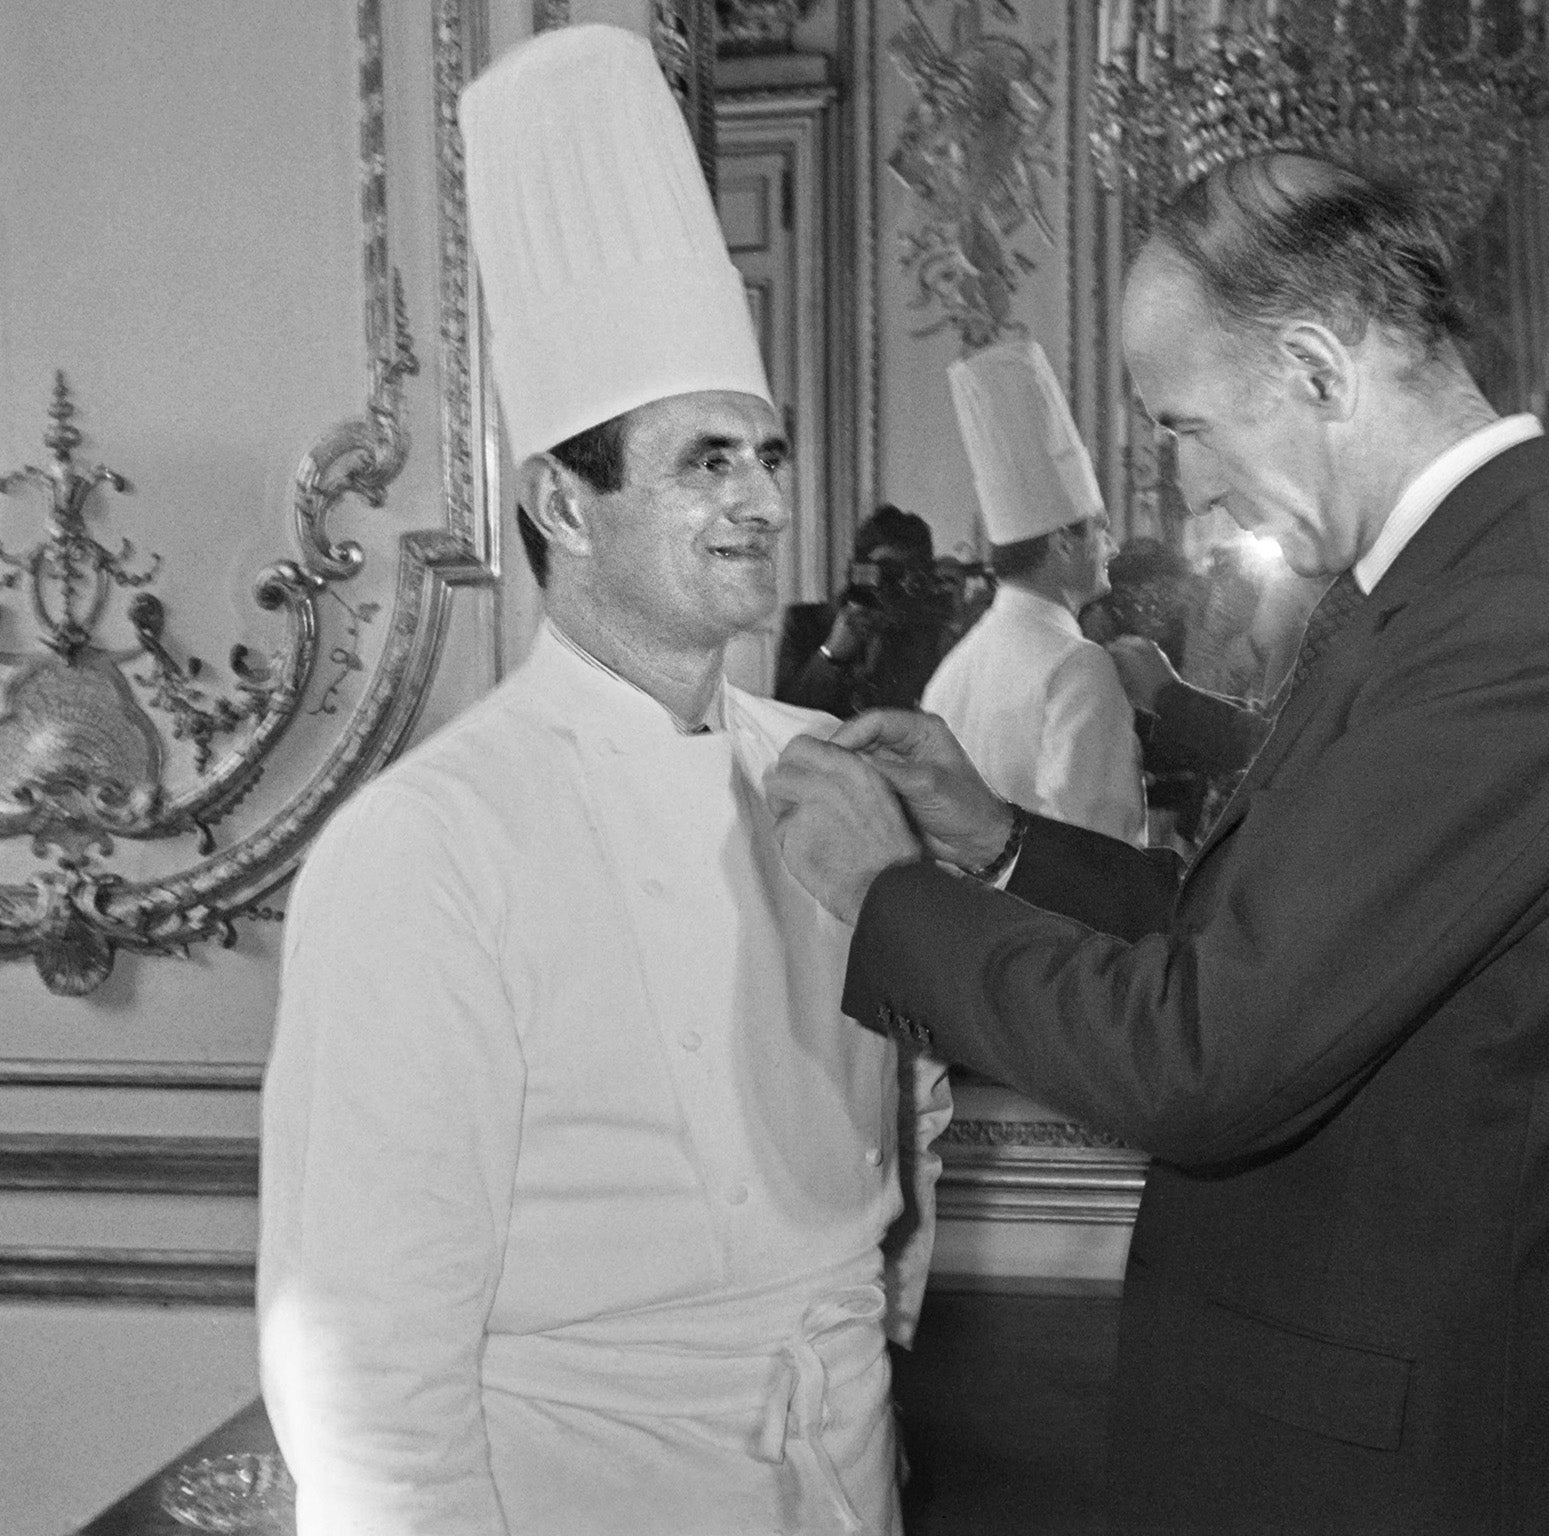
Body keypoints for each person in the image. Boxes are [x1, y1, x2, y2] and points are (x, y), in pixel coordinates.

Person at [767, 153, 1549, 1533]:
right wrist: (1001, 841)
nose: (1190, 488)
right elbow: (1264, 936)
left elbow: (1199, 1056)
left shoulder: (1514, 625)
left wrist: (886, 893)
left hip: (1393, 1467)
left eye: (1191, 427)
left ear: (1321, 369)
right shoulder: (1459, 582)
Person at [257, 27, 948, 1536]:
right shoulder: (425, 850)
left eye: (768, 456)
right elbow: (365, 1359)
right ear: (560, 501)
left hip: (841, 1470)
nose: (764, 500)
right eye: (706, 460)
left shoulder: (820, 779)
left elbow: (908, 1134)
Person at [919, 337, 1147, 845]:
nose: (1111, 547)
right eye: (1099, 530)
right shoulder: (1078, 667)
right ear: (1064, 543)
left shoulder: (951, 671)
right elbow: (1097, 855)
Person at [776, 504, 952, 718]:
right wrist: (830, 653)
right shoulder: (805, 622)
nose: (903, 583)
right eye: (889, 570)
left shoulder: (927, 632)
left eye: (913, 572)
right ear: (857, 570)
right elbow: (783, 714)